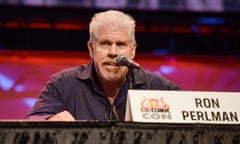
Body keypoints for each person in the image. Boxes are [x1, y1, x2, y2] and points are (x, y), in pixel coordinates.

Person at [25, 10, 180, 121]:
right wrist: (49, 120)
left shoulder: (160, 88)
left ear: (133, 50)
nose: (113, 52)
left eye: (120, 44)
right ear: (91, 49)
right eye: (105, 44)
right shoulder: (62, 85)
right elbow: (29, 124)